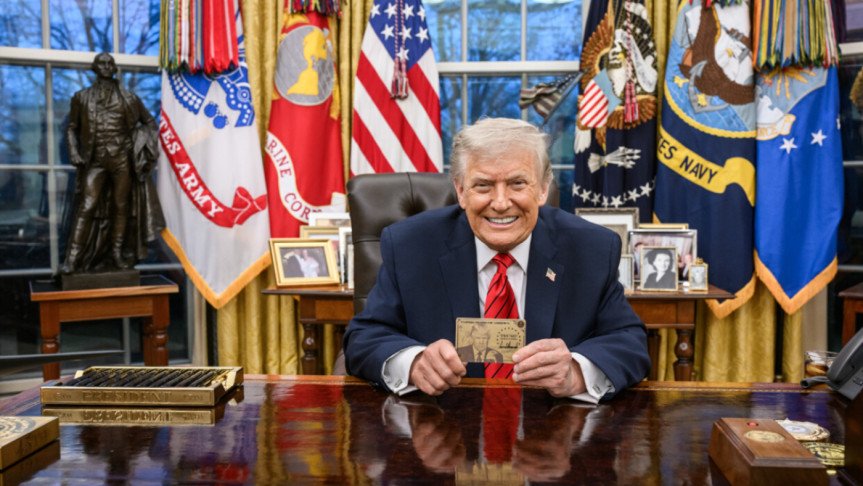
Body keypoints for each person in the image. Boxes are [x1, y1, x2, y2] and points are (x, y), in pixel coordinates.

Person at [344, 118, 650, 402]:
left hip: (551, 427)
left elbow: (629, 342)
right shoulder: (410, 246)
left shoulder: (591, 249)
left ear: (543, 189)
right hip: (444, 427)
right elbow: (364, 338)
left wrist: (575, 371)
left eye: (518, 183)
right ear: (460, 190)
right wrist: (414, 363)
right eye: (483, 186)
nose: (501, 203)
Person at [61, 52, 164, 274]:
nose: (107, 66)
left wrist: (138, 143)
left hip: (121, 160)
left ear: (114, 68)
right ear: (95, 67)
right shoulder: (81, 97)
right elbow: (72, 128)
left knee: (121, 206)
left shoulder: (130, 98)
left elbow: (150, 123)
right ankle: (72, 259)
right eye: (102, 63)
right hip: (95, 160)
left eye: (110, 63)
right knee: (87, 205)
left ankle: (117, 254)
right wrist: (74, 151)